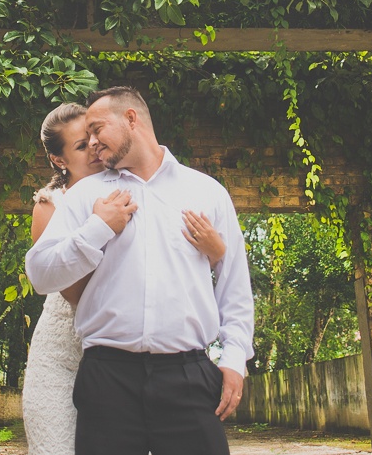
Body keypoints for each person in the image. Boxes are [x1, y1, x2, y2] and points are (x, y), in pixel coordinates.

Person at [25, 87, 254, 455]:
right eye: (87, 138)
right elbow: (39, 273)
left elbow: (235, 286)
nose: (93, 142)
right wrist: (97, 228)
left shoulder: (207, 192)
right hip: (106, 378)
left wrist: (233, 360)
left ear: (131, 119)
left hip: (189, 377)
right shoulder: (87, 196)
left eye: (98, 130)